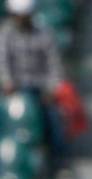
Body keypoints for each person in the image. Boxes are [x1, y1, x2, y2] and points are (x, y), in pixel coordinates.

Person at [0, 0, 66, 155]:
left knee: (54, 120)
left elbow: (54, 64)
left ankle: (59, 161)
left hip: (40, 89)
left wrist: (51, 89)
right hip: (15, 89)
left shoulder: (44, 33)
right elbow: (3, 61)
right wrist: (7, 82)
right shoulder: (6, 35)